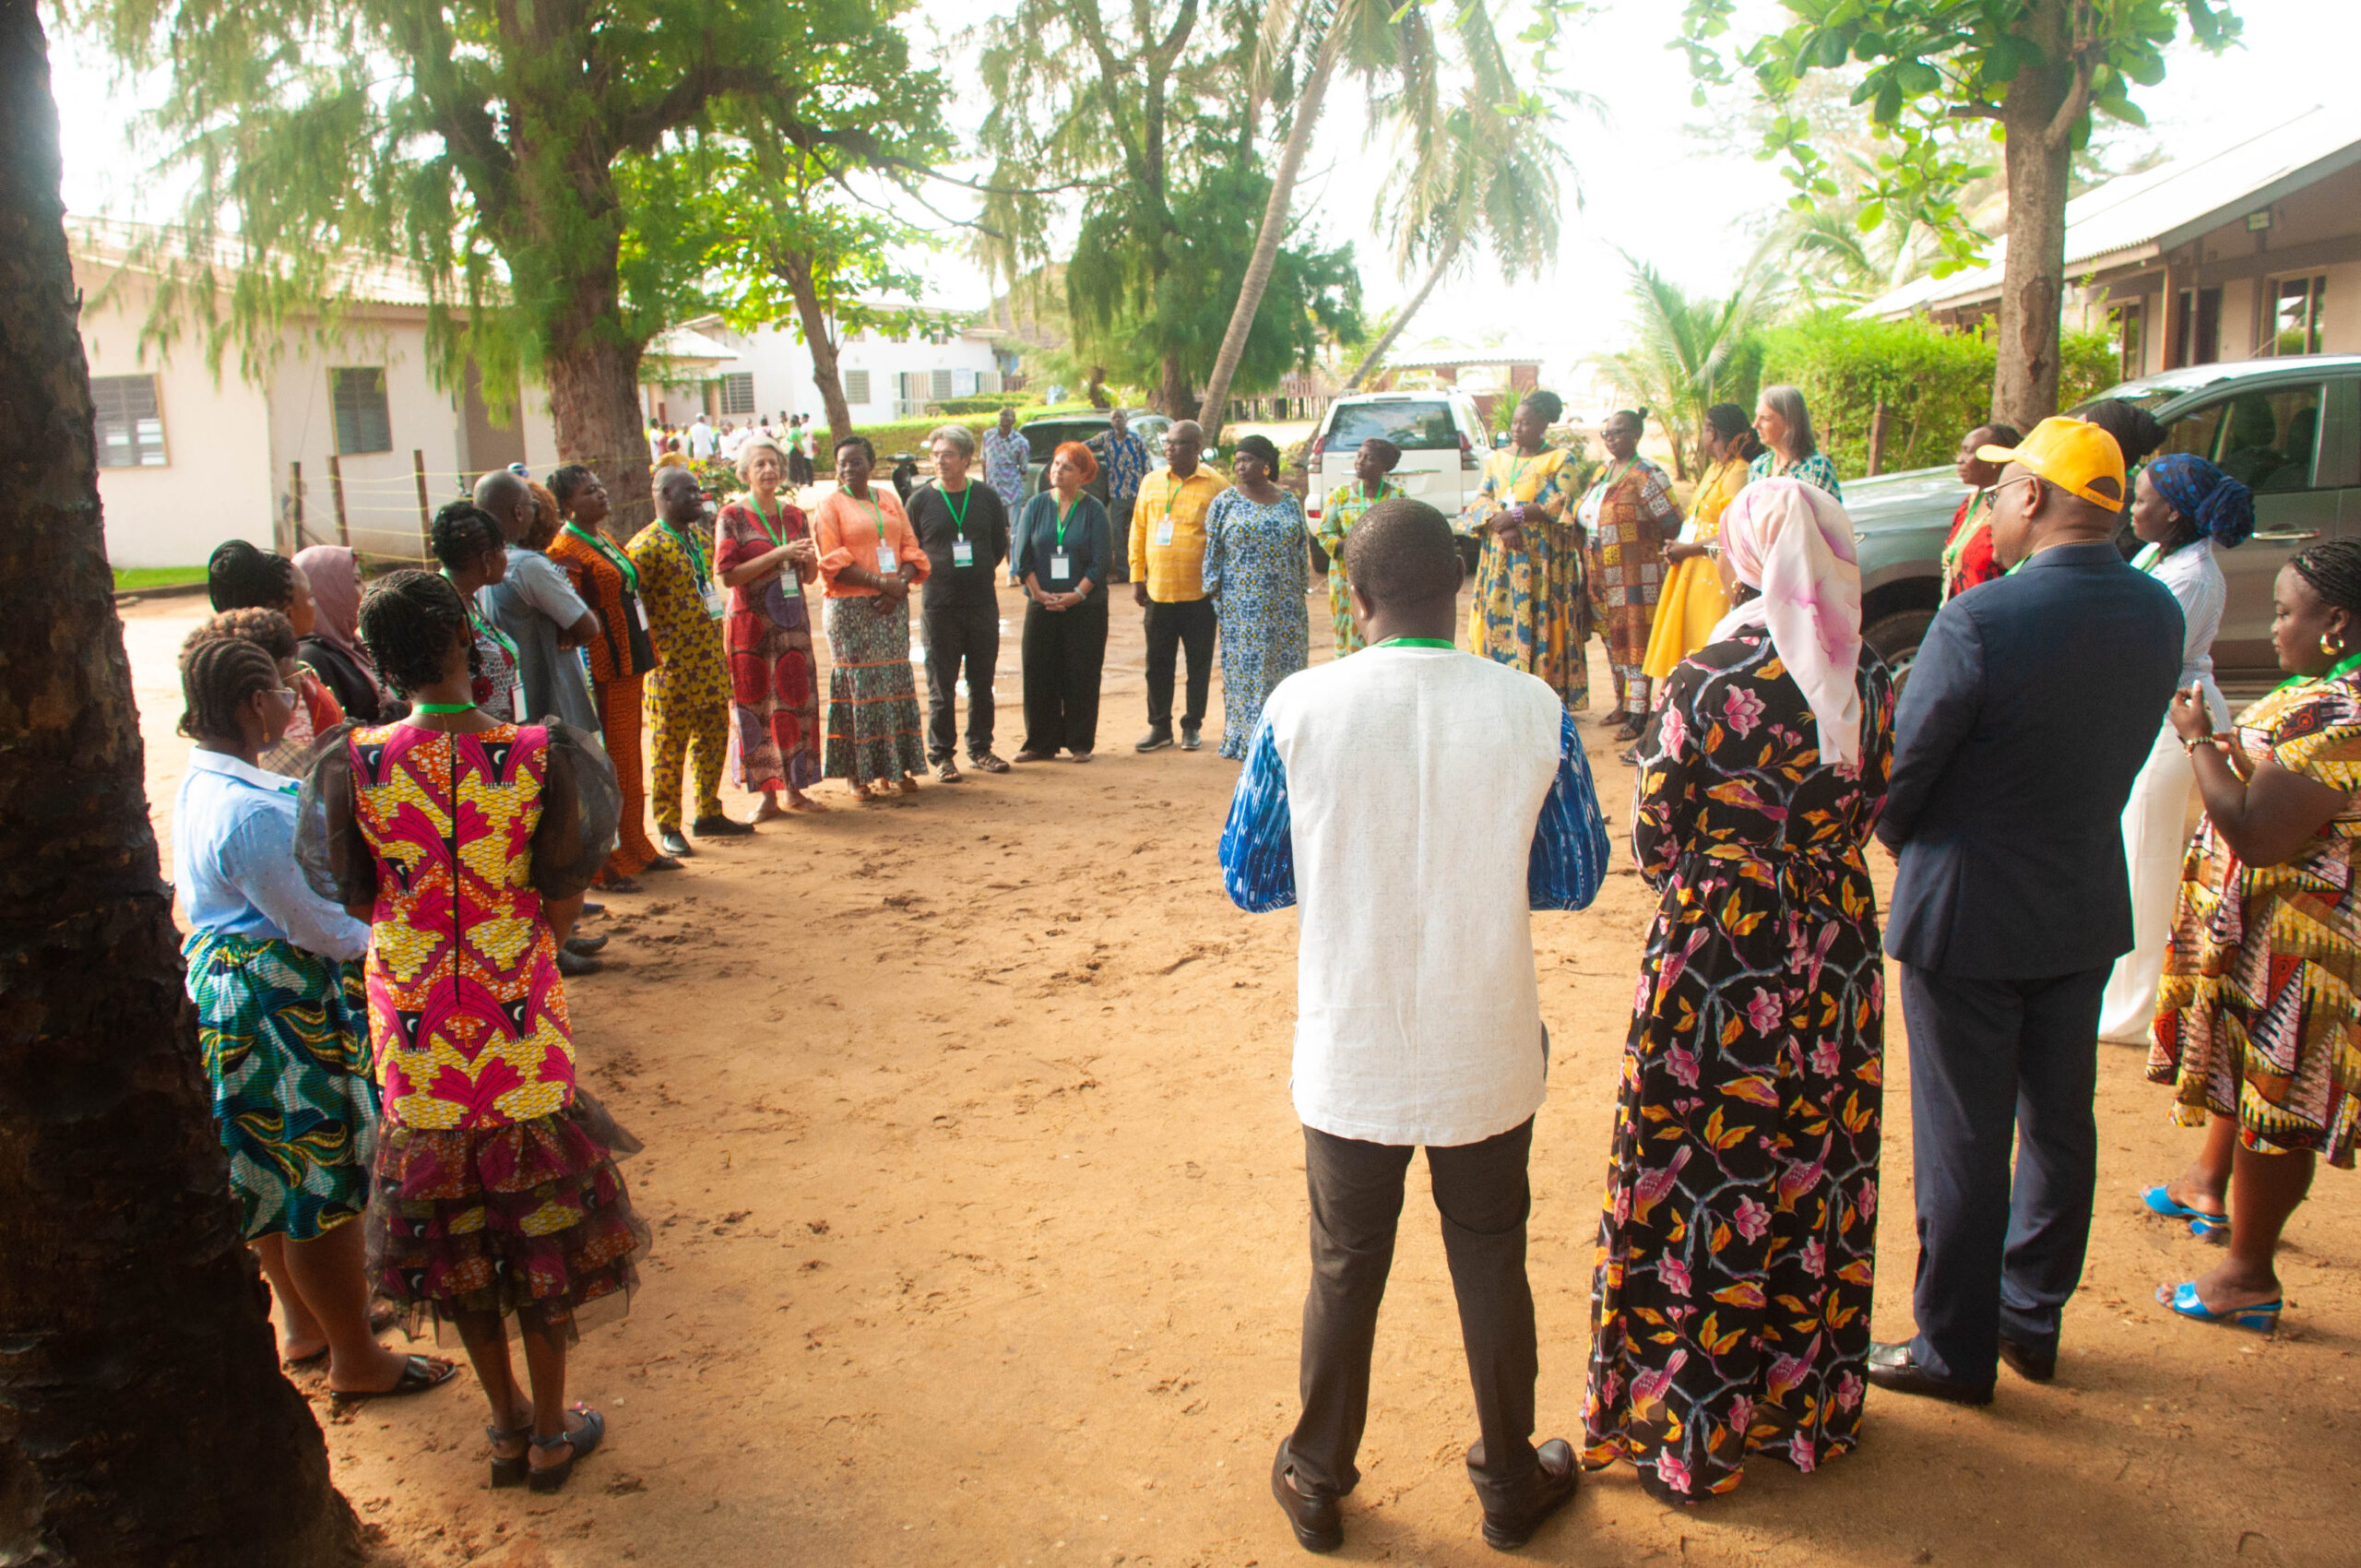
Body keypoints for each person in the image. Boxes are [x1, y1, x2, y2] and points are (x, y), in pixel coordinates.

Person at [1218, 497, 1607, 1555]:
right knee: (1490, 1253)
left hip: (1354, 1039)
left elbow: (1249, 877)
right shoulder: (1531, 706)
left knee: (1346, 1259)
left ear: (1355, 595)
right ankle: (1507, 1476)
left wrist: (1356, 851)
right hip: (1484, 1035)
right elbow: (1573, 876)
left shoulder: (1300, 705)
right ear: (1464, 585)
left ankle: (1315, 1475)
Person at [1585, 477, 1897, 1502]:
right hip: (1835, 949)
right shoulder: (1869, 679)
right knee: (1816, 1152)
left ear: (1749, 555)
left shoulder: (1704, 678)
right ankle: (1794, 1406)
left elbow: (1652, 840)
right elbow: (1871, 805)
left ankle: (1690, 1415)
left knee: (1702, 1162)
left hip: (1721, 954)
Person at [306, 568, 646, 1494]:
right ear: (468, 642)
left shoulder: (355, 762)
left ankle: (501, 1424)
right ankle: (547, 1428)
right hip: (515, 1015)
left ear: (381, 658)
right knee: (536, 1215)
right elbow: (566, 883)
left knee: (449, 1227)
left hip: (415, 1025)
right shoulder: (537, 752)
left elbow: (359, 892)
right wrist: (525, 953)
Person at [1869, 418, 2181, 1403]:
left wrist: (1895, 830)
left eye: (2004, 492)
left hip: (1966, 907)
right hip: (2080, 898)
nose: (1994, 507)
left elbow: (1909, 766)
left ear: (2036, 498)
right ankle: (2030, 1314)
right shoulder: (2156, 612)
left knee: (1963, 1134)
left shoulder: (1979, 619)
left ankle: (1951, 1348)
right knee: (2059, 1119)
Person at [172, 633, 459, 1403]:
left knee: (272, 1178)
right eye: (276, 689)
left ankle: (303, 1323)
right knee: (322, 1187)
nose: (289, 700)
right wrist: (403, 941)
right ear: (248, 704)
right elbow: (320, 927)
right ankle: (356, 1356)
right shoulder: (251, 813)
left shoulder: (205, 783)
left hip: (237, 990)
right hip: (283, 1008)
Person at [2144, 540, 2361, 1334]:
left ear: (2334, 620)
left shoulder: (2341, 711)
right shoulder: (2330, 695)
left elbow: (2255, 830)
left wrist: (2199, 739)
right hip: (2277, 943)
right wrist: (2245, 754)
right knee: (2256, 1086)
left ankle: (2247, 1275)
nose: (2272, 629)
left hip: (2300, 955)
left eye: (2283, 612)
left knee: (2280, 1105)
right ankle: (2211, 1191)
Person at [2098, 456, 2255, 1047]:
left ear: (2173, 510)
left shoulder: (2190, 576)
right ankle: (2123, 997)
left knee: (2147, 859)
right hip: (2154, 711)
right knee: (2132, 853)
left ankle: (2135, 1013)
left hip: (2173, 717)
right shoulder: (2161, 557)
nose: (2132, 509)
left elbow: (2143, 653)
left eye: (2141, 500)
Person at [550, 464, 674, 885]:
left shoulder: (603, 539)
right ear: (567, 505)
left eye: (601, 486)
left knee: (627, 759)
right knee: (608, 763)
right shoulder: (563, 551)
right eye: (589, 491)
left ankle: (638, 843)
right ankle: (608, 861)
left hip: (630, 661)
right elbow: (567, 616)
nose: (602, 494)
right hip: (602, 667)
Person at [631, 468, 745, 855]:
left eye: (699, 491)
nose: (698, 497)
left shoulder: (695, 537)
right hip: (672, 669)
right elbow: (634, 608)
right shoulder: (644, 547)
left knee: (712, 739)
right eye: (688, 491)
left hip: (710, 662)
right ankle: (667, 824)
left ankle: (708, 811)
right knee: (669, 748)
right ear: (663, 494)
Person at [812, 435, 931, 796]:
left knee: (892, 684)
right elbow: (831, 562)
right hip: (850, 611)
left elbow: (910, 548)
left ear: (871, 463)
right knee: (858, 689)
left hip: (891, 607)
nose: (849, 468)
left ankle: (894, 768)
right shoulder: (829, 506)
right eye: (842, 463)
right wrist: (883, 582)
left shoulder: (889, 500)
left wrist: (898, 587)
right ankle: (856, 775)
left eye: (856, 461)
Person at [715, 435, 826, 818]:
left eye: (774, 463)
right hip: (752, 628)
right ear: (745, 471)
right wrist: (778, 554)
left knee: (795, 703)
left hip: (792, 623)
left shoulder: (795, 515)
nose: (768, 470)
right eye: (759, 464)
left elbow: (810, 576)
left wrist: (808, 558)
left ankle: (795, 788)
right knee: (756, 706)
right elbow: (728, 576)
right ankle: (766, 795)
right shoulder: (731, 515)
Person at [1464, 390, 1589, 710]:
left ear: (1544, 424)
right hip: (1502, 558)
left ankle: (1543, 696)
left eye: (1526, 423)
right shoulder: (1497, 459)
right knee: (1499, 615)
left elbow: (1564, 501)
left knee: (1541, 618)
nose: (1518, 429)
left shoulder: (1560, 459)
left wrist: (1518, 515)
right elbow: (1480, 499)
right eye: (1515, 422)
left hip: (1541, 562)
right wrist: (1502, 524)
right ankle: (1499, 691)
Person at [908, 422, 1014, 780]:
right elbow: (912, 549)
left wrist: (976, 569)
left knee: (982, 682)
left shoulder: (985, 497)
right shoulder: (920, 500)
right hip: (939, 606)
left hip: (982, 603)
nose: (940, 461)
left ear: (966, 458)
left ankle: (980, 748)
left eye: (948, 455)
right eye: (935, 455)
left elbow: (999, 546)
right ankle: (941, 755)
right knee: (941, 686)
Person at [1204, 434, 1311, 761]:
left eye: (1247, 459)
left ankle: (1284, 738)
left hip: (1286, 607)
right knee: (1245, 675)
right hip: (1241, 609)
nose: (1239, 466)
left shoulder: (1289, 502)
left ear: (1267, 464)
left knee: (1286, 671)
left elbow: (1300, 553)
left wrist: (1300, 589)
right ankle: (1246, 740)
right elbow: (1213, 555)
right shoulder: (1225, 503)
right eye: (1236, 461)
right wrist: (1217, 596)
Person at [1577, 408, 1682, 741]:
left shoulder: (1648, 474)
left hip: (1635, 573)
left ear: (1635, 434)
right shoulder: (1603, 472)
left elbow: (1673, 522)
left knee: (1635, 640)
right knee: (1612, 638)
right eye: (1606, 433)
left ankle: (1640, 713)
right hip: (1599, 570)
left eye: (1618, 432)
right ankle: (1623, 703)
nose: (1610, 438)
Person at [476, 470, 603, 735]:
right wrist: (565, 627)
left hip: (502, 707)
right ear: (519, 512)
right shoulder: (527, 566)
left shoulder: (476, 563)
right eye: (532, 505)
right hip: (549, 706)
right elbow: (588, 626)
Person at [1640, 403, 1756, 687]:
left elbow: (1734, 529)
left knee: (1704, 640)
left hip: (1713, 574)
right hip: (1690, 570)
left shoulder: (1738, 472)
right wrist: (1677, 545)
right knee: (1684, 643)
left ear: (1712, 432)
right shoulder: (1717, 468)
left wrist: (1688, 549)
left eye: (1703, 428)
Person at [1130, 421, 1228, 754]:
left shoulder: (1216, 485)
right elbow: (1139, 530)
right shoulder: (1151, 482)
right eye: (1167, 442)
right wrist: (1136, 576)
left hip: (1200, 594)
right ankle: (1159, 727)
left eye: (1179, 443)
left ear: (1197, 447)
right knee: (1157, 663)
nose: (1170, 448)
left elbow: (1226, 537)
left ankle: (1192, 726)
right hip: (1158, 589)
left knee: (1198, 664)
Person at [1012, 441, 1112, 762]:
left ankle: (1080, 742)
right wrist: (1039, 594)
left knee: (1081, 672)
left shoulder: (1094, 510)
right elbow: (1022, 558)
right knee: (1038, 670)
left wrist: (1076, 595)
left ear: (1083, 474)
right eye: (1055, 464)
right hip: (1041, 604)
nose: (1057, 471)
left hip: (1085, 607)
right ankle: (1040, 743)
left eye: (1067, 467)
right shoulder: (1036, 506)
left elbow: (1100, 563)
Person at [208, 539, 343, 773]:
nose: (315, 604)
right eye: (309, 597)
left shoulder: (248, 673)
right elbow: (302, 774)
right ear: (283, 611)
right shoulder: (281, 684)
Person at [1311, 437, 1406, 658]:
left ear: (1385, 466)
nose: (1360, 462)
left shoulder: (1397, 498)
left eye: (1369, 458)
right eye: (1359, 456)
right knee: (1347, 625)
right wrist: (1353, 546)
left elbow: (1404, 535)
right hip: (1346, 578)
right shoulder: (1341, 495)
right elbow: (1324, 532)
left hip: (1384, 577)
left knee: (1382, 625)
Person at [430, 501, 521, 722]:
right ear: (487, 559)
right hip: (474, 744)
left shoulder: (469, 601)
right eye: (503, 550)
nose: (505, 558)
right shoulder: (441, 611)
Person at [292, 545, 397, 723]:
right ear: (329, 592)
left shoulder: (353, 644)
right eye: (355, 581)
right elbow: (336, 736)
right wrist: (402, 712)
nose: (364, 590)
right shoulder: (311, 658)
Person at [1939, 422, 2023, 601]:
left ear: (1993, 459)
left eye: (1968, 451)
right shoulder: (1970, 503)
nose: (1959, 459)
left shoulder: (2015, 510)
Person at [1087, 408, 1150, 584]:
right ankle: (1124, 573)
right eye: (1114, 418)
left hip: (1137, 493)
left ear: (1126, 419)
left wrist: (1146, 488)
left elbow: (1147, 465)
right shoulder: (1105, 438)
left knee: (1137, 532)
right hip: (1116, 493)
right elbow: (1084, 447)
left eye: (1120, 417)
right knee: (1117, 534)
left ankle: (1142, 571)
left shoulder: (1137, 439)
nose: (1117, 421)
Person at [1750, 386, 1843, 500]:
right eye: (1756, 417)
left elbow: (1830, 515)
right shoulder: (1759, 466)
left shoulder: (1816, 467)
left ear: (1789, 421)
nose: (1755, 425)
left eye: (1765, 418)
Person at [983, 406, 1030, 515]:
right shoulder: (988, 436)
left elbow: (1024, 468)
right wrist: (985, 483)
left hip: (1011, 491)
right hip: (992, 489)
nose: (1003, 418)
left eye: (1007, 415)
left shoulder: (1021, 442)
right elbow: (984, 461)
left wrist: (1008, 472)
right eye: (1001, 415)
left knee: (1014, 528)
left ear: (1014, 420)